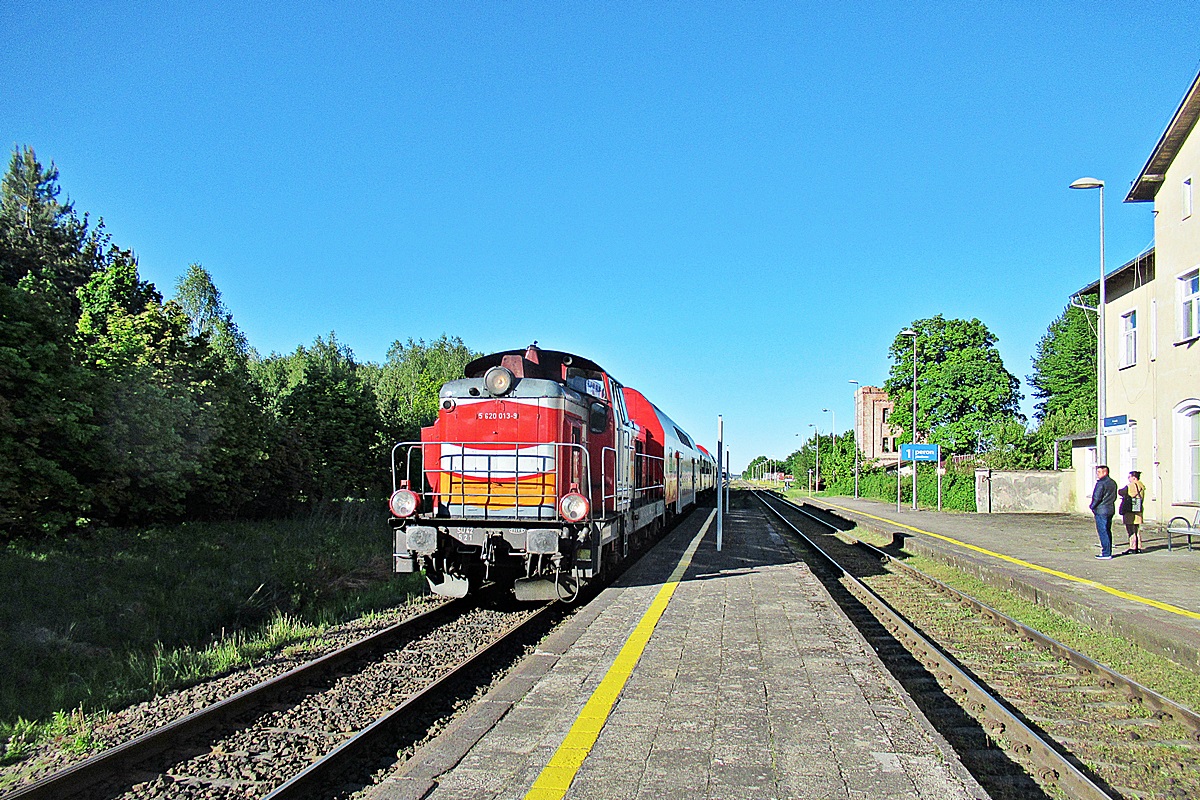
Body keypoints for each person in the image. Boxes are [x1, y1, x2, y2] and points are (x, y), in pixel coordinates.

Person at [1090, 464, 1118, 560]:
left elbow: (1097, 497)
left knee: (1103, 531)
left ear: (1105, 472)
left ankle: (1106, 552)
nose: (1097, 474)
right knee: (1107, 530)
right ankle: (1108, 551)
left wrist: (1092, 506)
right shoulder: (1113, 483)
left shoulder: (1101, 483)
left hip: (1101, 510)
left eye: (1099, 472)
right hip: (1110, 508)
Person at [1119, 470, 1146, 555]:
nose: (1128, 479)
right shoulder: (1142, 486)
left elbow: (1121, 492)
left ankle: (1132, 547)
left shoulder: (1131, 486)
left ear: (1134, 477)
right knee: (1137, 529)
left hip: (1130, 510)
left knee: (1130, 529)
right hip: (1138, 509)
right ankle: (1139, 547)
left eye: (1129, 477)